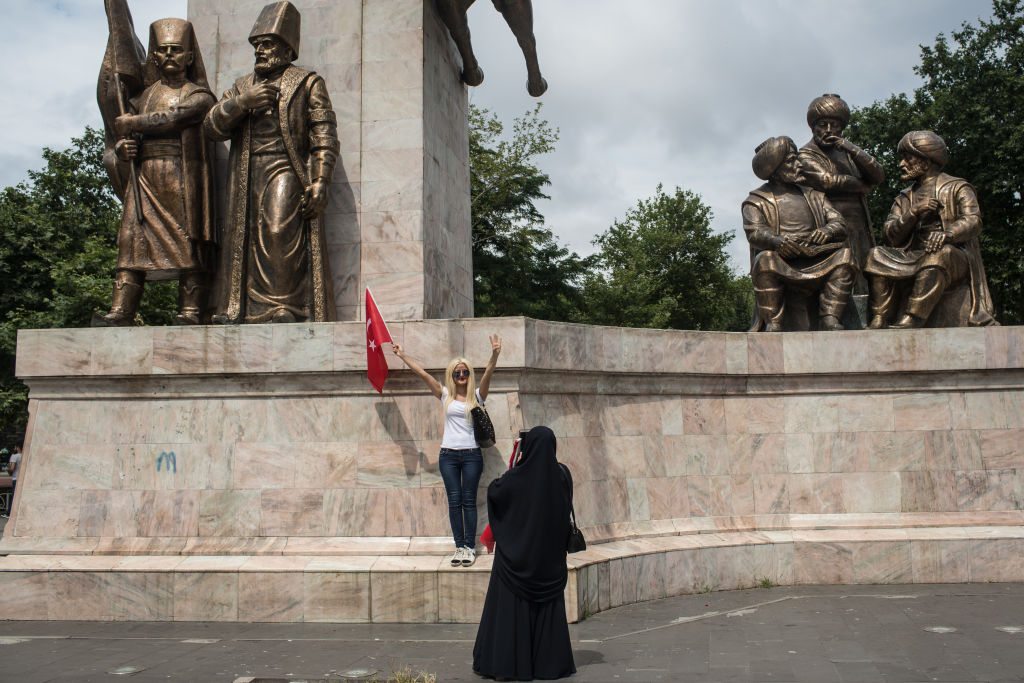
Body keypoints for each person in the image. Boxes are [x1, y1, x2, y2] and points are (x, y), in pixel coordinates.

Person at [205, 1, 339, 324]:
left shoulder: (308, 83)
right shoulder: (241, 86)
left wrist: (320, 180)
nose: (260, 51)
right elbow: (210, 127)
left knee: (278, 230)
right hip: (246, 172)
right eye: (256, 45)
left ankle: (284, 307)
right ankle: (237, 309)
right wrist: (240, 104)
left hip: (287, 168)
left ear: (286, 48)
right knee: (243, 237)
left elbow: (324, 135)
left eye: (267, 44)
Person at [94, 18, 217, 326]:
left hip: (182, 177)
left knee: (188, 244)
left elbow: (176, 118)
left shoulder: (198, 95)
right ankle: (122, 310)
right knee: (131, 241)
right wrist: (124, 149)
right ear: (154, 56)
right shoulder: (142, 98)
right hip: (147, 177)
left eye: (176, 50)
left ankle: (190, 311)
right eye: (162, 51)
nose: (169, 56)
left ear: (189, 56)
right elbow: (124, 139)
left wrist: (133, 124)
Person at [864, 130, 997, 328]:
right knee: (876, 255)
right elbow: (890, 236)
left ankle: (914, 317)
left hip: (953, 256)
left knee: (939, 255)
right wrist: (913, 212)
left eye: (908, 159)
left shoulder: (957, 187)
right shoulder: (904, 197)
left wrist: (948, 234)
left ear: (925, 161)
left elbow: (973, 221)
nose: (902, 164)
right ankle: (880, 316)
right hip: (912, 255)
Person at [473, 426, 576, 681]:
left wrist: (516, 461)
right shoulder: (562, 476)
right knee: (548, 611)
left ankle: (512, 663)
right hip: (549, 561)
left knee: (512, 611)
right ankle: (548, 664)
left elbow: (495, 492)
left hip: (515, 561)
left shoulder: (516, 477)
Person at [392, 334, 502, 567]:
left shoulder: (477, 397)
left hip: (472, 455)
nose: (461, 376)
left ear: (469, 375)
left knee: (469, 501)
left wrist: (494, 354)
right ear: (452, 376)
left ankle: (470, 549)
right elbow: (423, 375)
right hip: (448, 456)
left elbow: (489, 374)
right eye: (457, 373)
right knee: (454, 501)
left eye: (465, 373)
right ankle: (459, 547)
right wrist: (403, 356)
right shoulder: (445, 395)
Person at [743, 136, 857, 332]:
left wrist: (826, 231)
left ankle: (830, 317)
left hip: (817, 257)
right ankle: (773, 321)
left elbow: (839, 223)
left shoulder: (815, 195)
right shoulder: (756, 201)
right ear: (774, 168)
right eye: (791, 161)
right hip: (783, 260)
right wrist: (778, 242)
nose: (798, 164)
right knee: (764, 261)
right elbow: (755, 232)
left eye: (796, 159)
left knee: (845, 257)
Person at [799, 94, 886, 299]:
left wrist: (850, 147)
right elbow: (828, 181)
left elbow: (878, 174)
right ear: (813, 127)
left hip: (858, 221)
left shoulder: (847, 152)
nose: (829, 130)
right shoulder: (805, 154)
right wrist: (863, 185)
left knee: (864, 271)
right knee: (839, 270)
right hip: (826, 221)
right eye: (823, 124)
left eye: (834, 125)